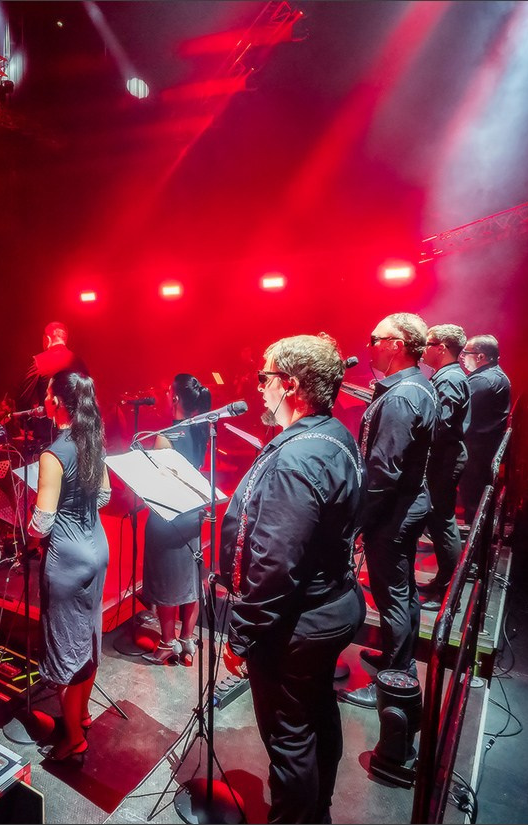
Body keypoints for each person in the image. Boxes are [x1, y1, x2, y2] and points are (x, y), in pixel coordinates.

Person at [219, 334, 366, 824]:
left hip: (298, 622)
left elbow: (275, 565)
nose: (258, 388)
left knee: (289, 736)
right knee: (317, 711)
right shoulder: (332, 434)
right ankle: (317, 811)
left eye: (264, 377)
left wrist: (239, 637)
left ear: (291, 384)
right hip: (332, 605)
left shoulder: (297, 457)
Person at [339, 313, 437, 709]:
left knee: (392, 596)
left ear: (397, 345)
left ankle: (394, 681)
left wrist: (359, 521)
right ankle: (398, 662)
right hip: (409, 505)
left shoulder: (400, 397)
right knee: (404, 593)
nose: (369, 345)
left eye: (375, 338)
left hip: (395, 512)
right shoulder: (415, 386)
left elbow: (383, 473)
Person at [26, 370, 111, 763]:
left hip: (67, 557)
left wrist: (27, 533)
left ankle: (73, 738)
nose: (43, 399)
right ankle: (85, 713)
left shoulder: (53, 453)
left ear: (58, 403)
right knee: (88, 641)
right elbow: (106, 495)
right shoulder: (93, 440)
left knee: (63, 649)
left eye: (47, 394)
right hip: (97, 547)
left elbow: (42, 522)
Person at [141, 374, 211, 666]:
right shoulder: (200, 430)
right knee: (190, 580)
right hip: (192, 513)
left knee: (168, 582)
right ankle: (188, 642)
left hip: (167, 517)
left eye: (168, 390)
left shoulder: (165, 437)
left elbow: (159, 483)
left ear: (175, 398)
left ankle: (167, 643)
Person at [417, 325, 471, 611]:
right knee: (440, 523)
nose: (423, 349)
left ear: (441, 348)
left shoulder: (449, 380)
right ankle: (443, 583)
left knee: (442, 524)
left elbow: (441, 425)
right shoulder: (446, 377)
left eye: (428, 344)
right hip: (446, 458)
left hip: (445, 460)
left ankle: (447, 594)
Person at [457, 334, 512, 525]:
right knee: (475, 499)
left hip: (477, 451)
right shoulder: (493, 376)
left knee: (474, 500)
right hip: (482, 448)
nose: (462, 356)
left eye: (466, 352)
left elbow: (457, 409)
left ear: (480, 357)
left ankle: (474, 547)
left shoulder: (483, 381)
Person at [19, 322, 89, 448]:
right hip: (79, 430)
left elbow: (24, 398)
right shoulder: (79, 362)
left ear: (47, 339)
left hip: (48, 434)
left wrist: (27, 425)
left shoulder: (38, 361)